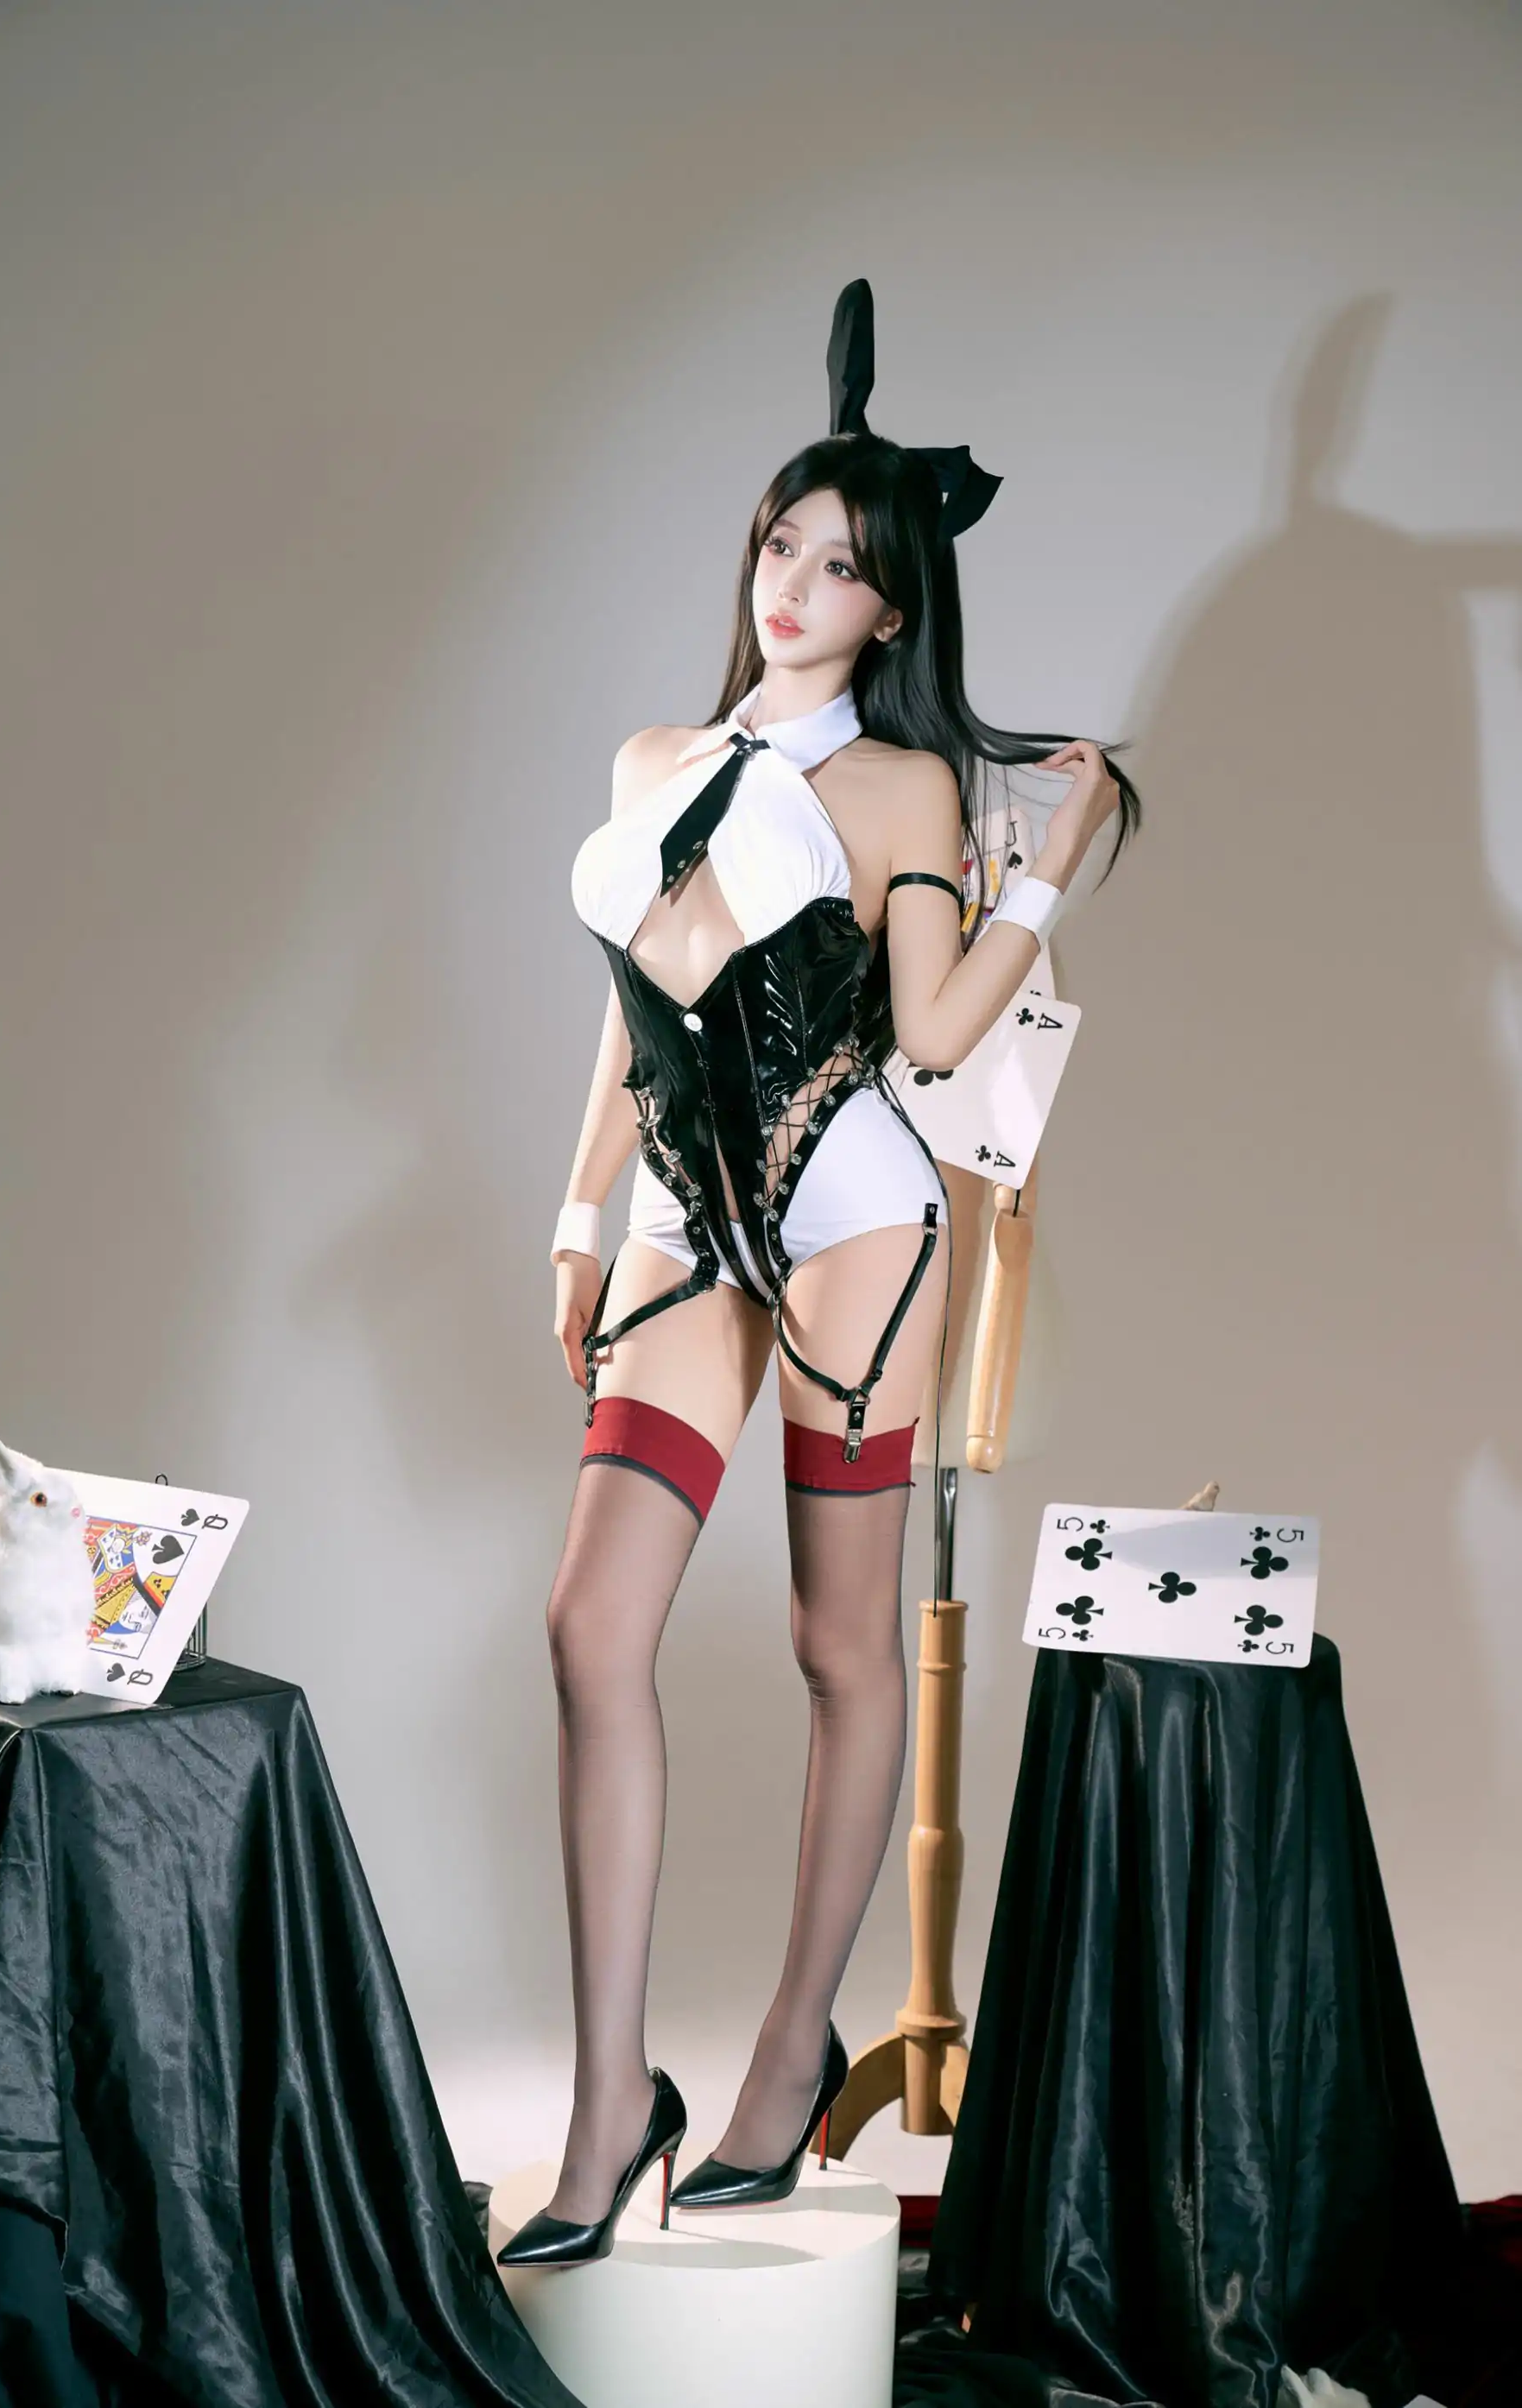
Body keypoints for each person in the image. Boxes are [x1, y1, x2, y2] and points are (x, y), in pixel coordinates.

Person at [498, 281, 1137, 2268]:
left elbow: (932, 1035)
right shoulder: (653, 757)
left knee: (839, 1650)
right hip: (684, 1221)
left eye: (844, 564)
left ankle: (789, 2053)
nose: (797, 584)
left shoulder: (902, 790)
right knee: (593, 1623)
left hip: (855, 1219)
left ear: (892, 608)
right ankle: (609, 2103)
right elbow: (634, 1012)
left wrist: (1057, 857)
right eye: (784, 541)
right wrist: (581, 1214)